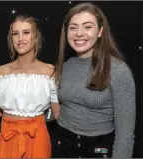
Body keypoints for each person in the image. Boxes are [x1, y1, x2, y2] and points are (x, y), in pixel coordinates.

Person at [53, 2, 136, 158]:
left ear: (100, 31)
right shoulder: (65, 66)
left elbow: (125, 136)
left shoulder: (119, 71)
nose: (79, 33)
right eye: (73, 27)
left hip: (97, 151)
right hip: (62, 147)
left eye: (87, 27)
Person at [0, 14, 60, 158]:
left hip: (38, 138)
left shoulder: (50, 71)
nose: (20, 38)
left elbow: (58, 113)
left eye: (26, 32)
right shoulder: (1, 72)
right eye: (16, 34)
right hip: (7, 138)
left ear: (35, 37)